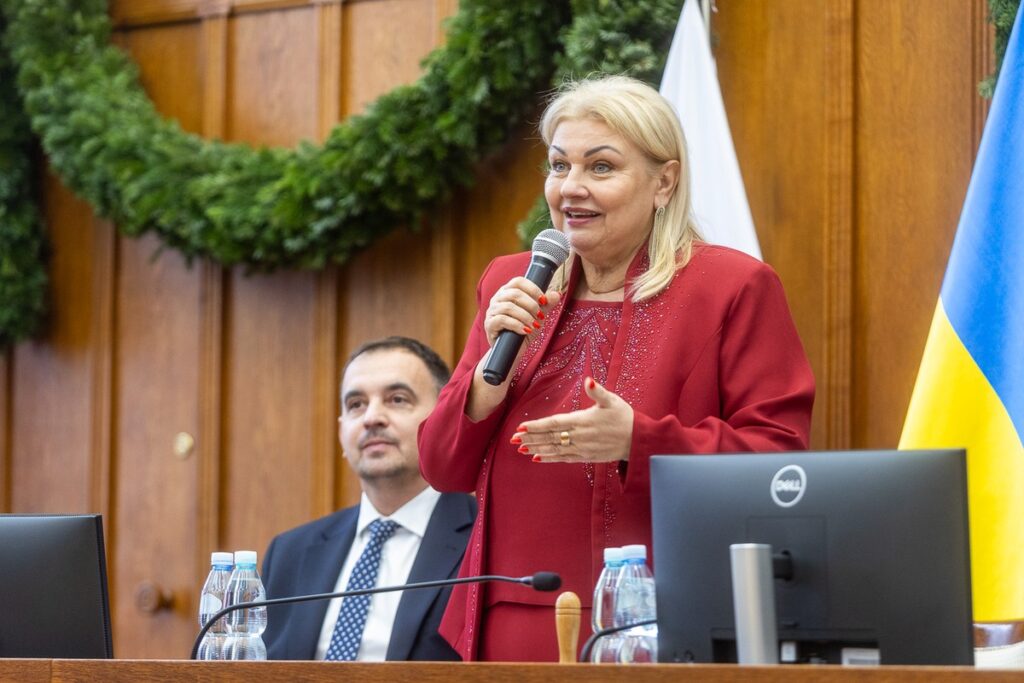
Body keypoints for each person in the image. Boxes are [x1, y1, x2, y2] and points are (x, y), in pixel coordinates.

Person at [418, 74, 815, 662]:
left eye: (600, 167)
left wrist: (639, 439)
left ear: (664, 181)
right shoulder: (514, 281)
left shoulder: (731, 288)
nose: (570, 188)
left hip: (661, 624)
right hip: (513, 616)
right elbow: (442, 466)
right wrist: (485, 380)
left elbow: (778, 462)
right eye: (558, 166)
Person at [261, 336, 475, 661]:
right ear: (341, 431)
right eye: (356, 404)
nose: (371, 418)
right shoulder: (290, 552)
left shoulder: (485, 539)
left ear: (443, 419)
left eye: (397, 399)